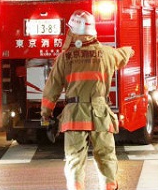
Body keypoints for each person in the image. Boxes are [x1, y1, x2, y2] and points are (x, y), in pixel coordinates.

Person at [41, 10, 134, 190]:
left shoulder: (64, 58)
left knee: (75, 161)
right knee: (106, 157)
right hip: (100, 113)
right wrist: (130, 50)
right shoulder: (107, 54)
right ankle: (109, 186)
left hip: (75, 115)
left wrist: (46, 116)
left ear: (74, 31)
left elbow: (51, 89)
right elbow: (123, 54)